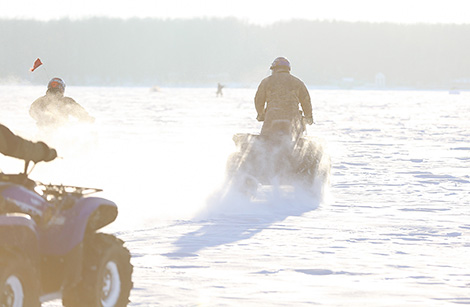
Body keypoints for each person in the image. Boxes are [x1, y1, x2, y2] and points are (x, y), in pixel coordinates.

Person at [254, 57, 314, 138]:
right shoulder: (297, 82)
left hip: (272, 116)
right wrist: (308, 117)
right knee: (297, 136)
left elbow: (259, 100)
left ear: (274, 69)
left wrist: (260, 114)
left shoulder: (266, 81)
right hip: (293, 117)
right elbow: (306, 101)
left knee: (265, 137)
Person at [30, 77, 95, 128]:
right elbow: (33, 111)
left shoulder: (66, 101)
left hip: (60, 132)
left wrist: (86, 117)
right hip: (49, 133)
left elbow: (79, 111)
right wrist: (45, 118)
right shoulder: (66, 101)